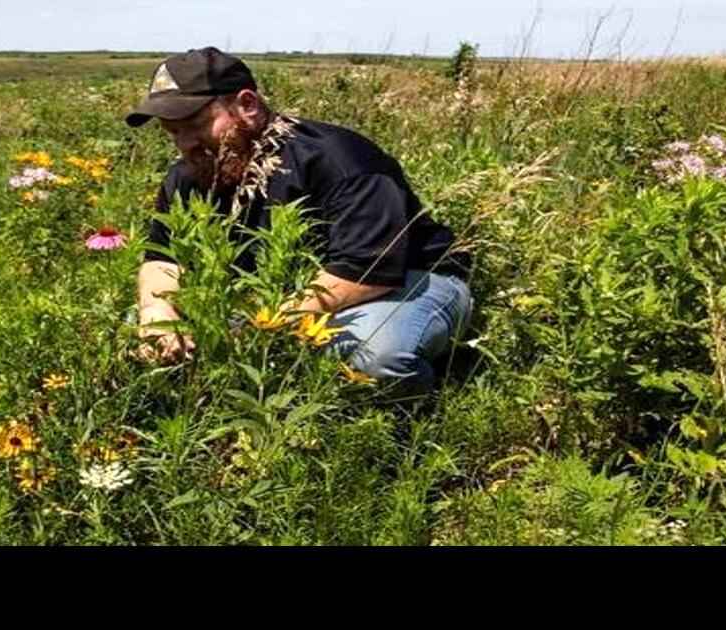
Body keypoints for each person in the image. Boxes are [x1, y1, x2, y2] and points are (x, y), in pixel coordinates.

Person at [128, 47, 474, 399]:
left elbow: (366, 270)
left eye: (196, 124)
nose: (185, 143)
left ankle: (411, 419)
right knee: (139, 332)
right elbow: (162, 258)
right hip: (284, 294)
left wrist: (259, 329)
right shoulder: (189, 174)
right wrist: (156, 315)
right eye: (172, 131)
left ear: (246, 106)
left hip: (408, 279)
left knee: (373, 355)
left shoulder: (338, 160)